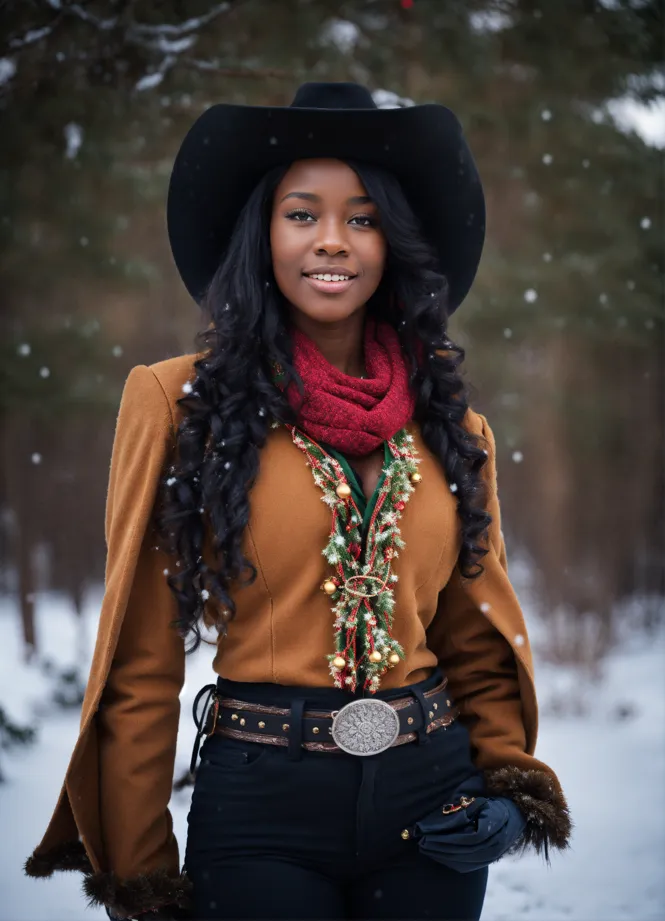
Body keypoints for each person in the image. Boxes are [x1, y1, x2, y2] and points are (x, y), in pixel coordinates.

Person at [24, 82, 572, 921]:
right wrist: (139, 869)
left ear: (393, 243)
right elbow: (140, 656)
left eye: (362, 217)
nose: (332, 241)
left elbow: (475, 628)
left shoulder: (453, 425)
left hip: (430, 801)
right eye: (301, 213)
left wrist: (504, 783)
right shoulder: (177, 403)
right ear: (262, 232)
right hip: (259, 807)